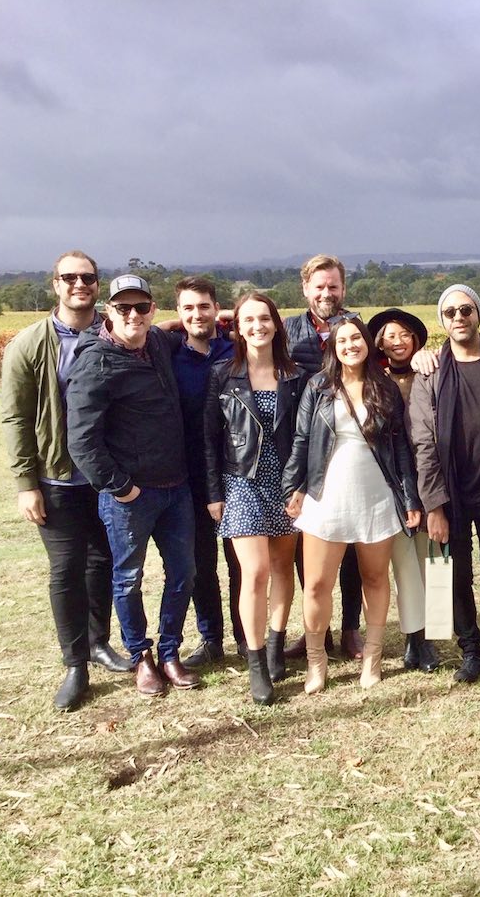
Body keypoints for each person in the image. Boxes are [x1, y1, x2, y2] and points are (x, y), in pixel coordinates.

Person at [1, 250, 131, 711]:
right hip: (56, 478)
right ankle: (75, 664)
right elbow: (16, 418)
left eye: (88, 278)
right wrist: (25, 484)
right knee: (66, 569)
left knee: (102, 562)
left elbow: (153, 337)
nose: (80, 284)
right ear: (55, 284)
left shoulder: (113, 332)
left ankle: (99, 642)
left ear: (98, 285)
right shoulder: (29, 344)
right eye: (70, 277)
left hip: (105, 477)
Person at [65, 274, 200, 697]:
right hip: (131, 496)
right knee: (128, 579)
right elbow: (81, 440)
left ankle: (170, 652)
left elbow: (178, 328)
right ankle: (141, 656)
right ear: (108, 311)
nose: (133, 315)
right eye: (123, 307)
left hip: (176, 487)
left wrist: (228, 315)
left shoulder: (157, 342)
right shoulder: (95, 362)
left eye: (141, 307)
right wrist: (120, 487)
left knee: (184, 573)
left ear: (152, 310)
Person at [283, 315, 422, 691]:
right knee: (316, 584)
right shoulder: (319, 386)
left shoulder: (384, 387)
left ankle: (373, 656)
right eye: (342, 340)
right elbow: (302, 440)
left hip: (375, 495)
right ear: (333, 347)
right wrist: (293, 487)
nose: (350, 345)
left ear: (367, 343)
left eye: (356, 338)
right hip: (326, 495)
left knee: (374, 578)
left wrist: (409, 496)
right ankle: (316, 661)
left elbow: (400, 446)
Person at [409, 285, 480, 685]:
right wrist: (434, 506)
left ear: (478, 314)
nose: (459, 317)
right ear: (442, 321)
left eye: (466, 309)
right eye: (450, 312)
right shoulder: (430, 372)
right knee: (455, 576)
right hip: (451, 492)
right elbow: (423, 442)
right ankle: (471, 650)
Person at [204, 292, 305, 705]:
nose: (258, 326)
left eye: (265, 318)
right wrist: (214, 493)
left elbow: (304, 437)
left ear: (276, 324)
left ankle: (277, 643)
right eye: (248, 319)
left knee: (283, 567)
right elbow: (209, 439)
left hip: (286, 484)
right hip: (241, 481)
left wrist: (301, 486)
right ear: (238, 328)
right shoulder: (222, 375)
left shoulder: (295, 376)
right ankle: (257, 660)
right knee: (256, 571)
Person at [282, 254, 363, 660]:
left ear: (343, 288)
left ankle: (351, 629)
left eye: (333, 286)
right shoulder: (288, 330)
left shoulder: (357, 326)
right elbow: (241, 329)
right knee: (310, 549)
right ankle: (319, 632)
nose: (326, 293)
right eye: (319, 287)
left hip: (348, 450)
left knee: (351, 550)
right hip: (302, 447)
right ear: (305, 289)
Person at [168, 276, 245, 669]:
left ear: (217, 308)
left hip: (235, 472)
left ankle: (246, 637)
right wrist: (171, 325)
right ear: (178, 313)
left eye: (204, 306)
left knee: (241, 563)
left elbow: (270, 325)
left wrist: (231, 320)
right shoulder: (168, 353)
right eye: (188, 308)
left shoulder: (238, 350)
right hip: (189, 475)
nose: (197, 314)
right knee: (201, 564)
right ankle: (211, 638)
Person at [368, 307, 440, 672]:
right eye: (389, 336)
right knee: (405, 563)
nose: (398, 342)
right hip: (393, 480)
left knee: (434, 558)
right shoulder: (374, 381)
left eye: (404, 335)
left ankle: (436, 633)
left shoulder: (432, 371)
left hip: (432, 475)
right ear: (379, 344)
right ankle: (415, 637)